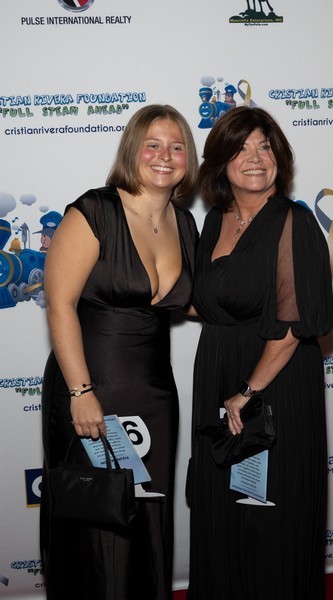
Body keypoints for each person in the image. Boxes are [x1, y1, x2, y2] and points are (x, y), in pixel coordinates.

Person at [40, 104, 199, 600]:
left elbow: (192, 302)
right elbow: (60, 303)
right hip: (92, 387)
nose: (164, 156)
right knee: (94, 522)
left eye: (176, 146)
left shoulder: (184, 224)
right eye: (153, 144)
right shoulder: (95, 211)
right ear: (132, 150)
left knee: (147, 519)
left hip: (153, 395)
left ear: (188, 159)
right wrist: (80, 391)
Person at [187, 105, 333, 600]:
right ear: (220, 162)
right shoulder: (215, 222)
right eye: (241, 148)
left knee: (270, 516)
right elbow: (209, 301)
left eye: (265, 146)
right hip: (219, 374)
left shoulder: (294, 221)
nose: (255, 157)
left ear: (279, 158)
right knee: (222, 510)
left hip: (273, 385)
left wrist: (247, 392)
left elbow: (291, 327)